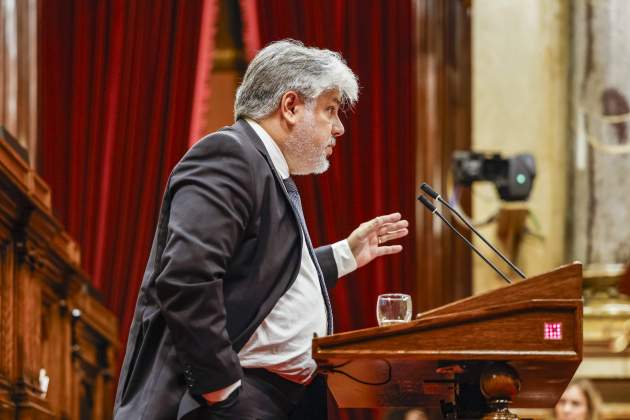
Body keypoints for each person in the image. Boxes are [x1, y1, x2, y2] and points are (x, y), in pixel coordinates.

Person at [113, 39, 409, 420]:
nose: (338, 128)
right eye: (330, 110)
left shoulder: (265, 167)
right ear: (290, 106)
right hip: (237, 400)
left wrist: (345, 254)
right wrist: (220, 388)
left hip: (278, 399)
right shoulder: (230, 156)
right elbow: (187, 276)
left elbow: (261, 275)